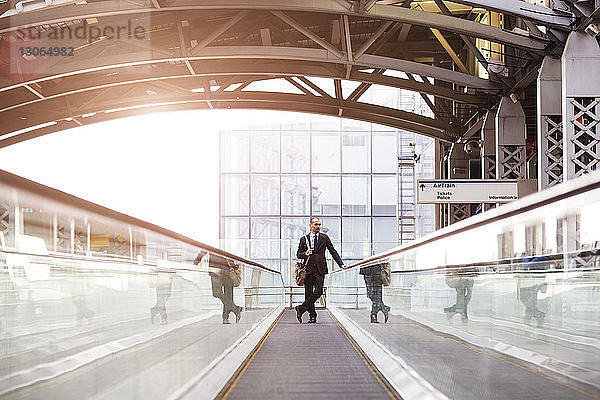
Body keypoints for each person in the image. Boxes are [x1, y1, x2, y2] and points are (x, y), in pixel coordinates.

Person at [295, 217, 344, 323]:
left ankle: (301, 308)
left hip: (320, 269)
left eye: (319, 224)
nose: (318, 227)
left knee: (319, 291)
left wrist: (341, 264)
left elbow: (333, 251)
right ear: (310, 225)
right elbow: (298, 254)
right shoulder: (304, 239)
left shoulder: (324, 238)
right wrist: (305, 254)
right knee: (308, 293)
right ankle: (312, 316)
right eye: (316, 224)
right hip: (307, 269)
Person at [194, 250, 241, 324]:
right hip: (215, 269)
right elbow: (205, 248)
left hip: (227, 269)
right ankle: (235, 309)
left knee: (228, 295)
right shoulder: (212, 240)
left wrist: (235, 266)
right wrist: (197, 261)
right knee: (216, 293)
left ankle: (225, 318)